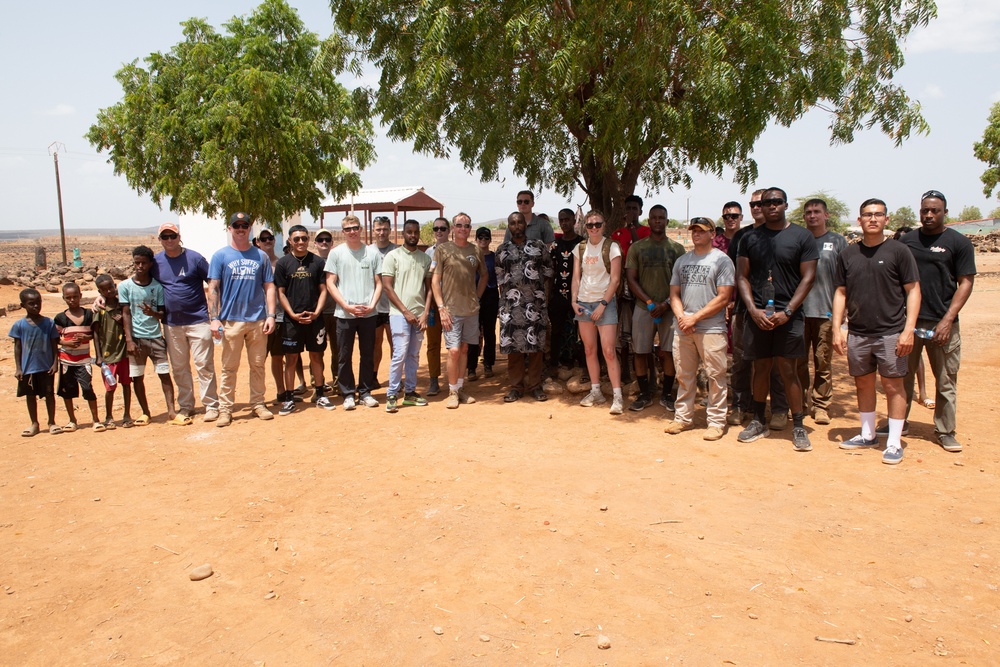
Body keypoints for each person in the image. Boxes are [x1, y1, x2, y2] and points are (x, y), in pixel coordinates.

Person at [834, 198, 920, 464]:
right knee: (863, 382)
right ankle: (867, 433)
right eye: (867, 215)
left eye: (878, 215)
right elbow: (840, 292)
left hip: (891, 332)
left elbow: (913, 291)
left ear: (886, 220)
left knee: (893, 385)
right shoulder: (848, 254)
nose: (873, 219)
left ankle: (894, 442)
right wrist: (838, 328)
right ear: (859, 221)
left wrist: (908, 331)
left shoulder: (898, 251)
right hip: (859, 332)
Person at [736, 187, 818, 450]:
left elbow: (808, 277)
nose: (771, 206)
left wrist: (789, 312)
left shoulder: (801, 236)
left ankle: (798, 425)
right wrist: (752, 310)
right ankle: (759, 420)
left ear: (785, 204)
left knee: (788, 370)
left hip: (788, 316)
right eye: (766, 202)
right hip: (758, 315)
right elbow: (741, 277)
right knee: (760, 368)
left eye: (776, 202)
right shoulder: (750, 238)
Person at [895, 190, 977, 452]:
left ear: (945, 213)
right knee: (901, 376)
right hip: (908, 323)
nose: (929, 215)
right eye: (924, 211)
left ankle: (945, 430)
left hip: (942, 323)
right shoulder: (907, 241)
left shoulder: (959, 243)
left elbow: (966, 282)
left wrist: (948, 319)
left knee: (945, 380)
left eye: (935, 211)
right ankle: (900, 422)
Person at [664, 219, 736, 440]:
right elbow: (674, 293)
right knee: (684, 375)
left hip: (711, 328)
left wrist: (694, 317)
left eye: (701, 231)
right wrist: (681, 317)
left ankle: (715, 421)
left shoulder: (722, 261)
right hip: (683, 327)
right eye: (694, 230)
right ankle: (683, 418)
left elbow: (724, 296)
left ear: (712, 234)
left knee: (715, 375)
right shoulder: (682, 261)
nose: (696, 234)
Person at [208, 212, 278, 427]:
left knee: (257, 365)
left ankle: (258, 403)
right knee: (229, 367)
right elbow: (213, 288)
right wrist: (214, 318)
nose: (240, 229)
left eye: (244, 225)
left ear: (250, 228)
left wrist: (271, 315)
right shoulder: (221, 256)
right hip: (231, 321)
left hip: (257, 320)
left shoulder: (261, 256)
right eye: (236, 225)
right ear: (229, 228)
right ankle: (226, 410)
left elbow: (269, 287)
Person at [727, 189, 790, 429]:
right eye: (753, 204)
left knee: (776, 363)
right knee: (742, 361)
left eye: (761, 203)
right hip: (746, 310)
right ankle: (740, 406)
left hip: (778, 311)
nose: (757, 207)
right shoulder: (743, 237)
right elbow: (735, 273)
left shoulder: (787, 234)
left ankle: (779, 410)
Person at [152, 222, 220, 423]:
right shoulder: (155, 262)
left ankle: (211, 405)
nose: (169, 240)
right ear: (160, 240)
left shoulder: (195, 259)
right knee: (179, 367)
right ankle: (186, 405)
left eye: (172, 236)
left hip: (199, 321)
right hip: (172, 324)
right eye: (165, 237)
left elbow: (213, 284)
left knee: (204, 365)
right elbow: (140, 282)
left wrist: (215, 314)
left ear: (179, 236)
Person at [624, 204, 686, 411]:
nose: (658, 221)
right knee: (640, 352)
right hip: (644, 307)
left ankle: (667, 395)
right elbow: (631, 279)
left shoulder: (677, 249)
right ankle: (644, 394)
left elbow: (681, 281)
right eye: (654, 217)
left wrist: (666, 303)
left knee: (668, 352)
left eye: (662, 218)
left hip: (669, 309)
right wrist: (650, 302)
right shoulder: (637, 248)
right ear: (648, 221)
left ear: (667, 222)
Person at [796, 199, 848, 425]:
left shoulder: (837, 241)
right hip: (798, 312)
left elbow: (845, 280)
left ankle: (821, 405)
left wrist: (843, 311)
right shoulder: (798, 239)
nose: (812, 216)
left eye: (817, 212)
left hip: (826, 312)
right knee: (797, 362)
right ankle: (799, 403)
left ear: (826, 215)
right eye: (808, 212)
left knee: (822, 362)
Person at [325, 214, 383, 409]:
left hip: (368, 313)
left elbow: (379, 283)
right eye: (348, 229)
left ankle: (365, 392)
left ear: (361, 229)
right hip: (345, 314)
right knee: (344, 355)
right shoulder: (336, 253)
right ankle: (348, 393)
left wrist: (373, 305)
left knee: (367, 354)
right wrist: (345, 306)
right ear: (343, 232)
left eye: (355, 227)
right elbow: (330, 282)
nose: (352, 232)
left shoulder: (372, 253)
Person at [274, 225, 333, 415]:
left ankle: (320, 394)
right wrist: (291, 313)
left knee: (316, 356)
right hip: (292, 321)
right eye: (296, 239)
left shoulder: (317, 262)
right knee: (291, 358)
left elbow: (324, 290)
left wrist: (316, 312)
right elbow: (280, 292)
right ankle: (289, 398)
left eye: (304, 238)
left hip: (314, 320)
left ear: (308, 240)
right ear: (290, 241)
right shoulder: (283, 263)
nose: (301, 242)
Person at [496, 211, 555, 402]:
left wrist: (535, 293)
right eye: (512, 223)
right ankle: (516, 387)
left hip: (534, 305)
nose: (516, 226)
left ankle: (535, 386)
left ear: (525, 224)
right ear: (509, 226)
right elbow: (500, 279)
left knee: (536, 348)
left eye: (519, 222)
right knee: (513, 348)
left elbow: (547, 271)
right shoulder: (502, 250)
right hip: (511, 307)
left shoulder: (538, 247)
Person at [431, 212, 487, 409]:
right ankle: (452, 391)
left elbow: (484, 275)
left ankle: (461, 388)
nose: (463, 228)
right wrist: (441, 307)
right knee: (453, 350)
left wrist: (477, 297)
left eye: (467, 225)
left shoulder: (476, 250)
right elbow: (435, 281)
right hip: (451, 310)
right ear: (453, 228)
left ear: (470, 228)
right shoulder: (443, 250)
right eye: (459, 225)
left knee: (464, 349)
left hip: (471, 309)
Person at [571, 210, 624, 413]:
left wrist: (603, 304)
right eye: (590, 225)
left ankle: (618, 396)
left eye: (597, 224)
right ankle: (596, 391)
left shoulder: (611, 247)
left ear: (604, 225)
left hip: (605, 303)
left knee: (609, 351)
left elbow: (616, 279)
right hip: (584, 303)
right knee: (589, 350)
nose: (594, 228)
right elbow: (576, 278)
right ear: (585, 226)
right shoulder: (580, 248)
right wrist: (574, 301)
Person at [119, 245, 176, 425]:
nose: (140, 267)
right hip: (135, 339)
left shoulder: (157, 287)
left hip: (156, 337)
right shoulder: (125, 286)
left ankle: (171, 411)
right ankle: (145, 412)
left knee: (164, 374)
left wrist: (153, 313)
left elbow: (161, 314)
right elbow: (125, 313)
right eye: (137, 263)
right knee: (137, 376)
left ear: (151, 264)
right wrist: (129, 339)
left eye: (144, 263)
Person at [381, 219, 434, 412]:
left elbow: (429, 289)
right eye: (409, 232)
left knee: (413, 355)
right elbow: (387, 286)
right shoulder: (392, 256)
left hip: (420, 316)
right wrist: (405, 311)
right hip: (399, 315)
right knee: (400, 353)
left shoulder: (425, 259)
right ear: (403, 233)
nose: (413, 235)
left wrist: (425, 313)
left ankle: (410, 393)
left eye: (416, 232)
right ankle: (392, 394)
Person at [610, 194, 650, 386]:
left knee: (642, 330)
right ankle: (625, 370)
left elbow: (640, 249)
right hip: (621, 287)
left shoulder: (646, 232)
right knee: (623, 329)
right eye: (629, 209)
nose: (632, 212)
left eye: (635, 209)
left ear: (640, 211)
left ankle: (647, 373)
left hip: (641, 285)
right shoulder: (616, 234)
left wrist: (633, 227)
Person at [10, 288, 59, 436]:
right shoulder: (19, 325)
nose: (36, 306)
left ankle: (51, 422)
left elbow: (54, 344)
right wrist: (18, 368)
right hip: (28, 368)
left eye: (38, 302)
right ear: (23, 305)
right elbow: (17, 347)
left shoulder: (49, 323)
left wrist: (55, 362)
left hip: (46, 367)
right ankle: (34, 423)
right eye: (31, 303)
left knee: (49, 394)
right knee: (30, 396)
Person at [54, 282, 101, 431]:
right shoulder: (60, 318)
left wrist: (84, 337)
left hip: (84, 360)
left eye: (75, 296)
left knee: (87, 388)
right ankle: (72, 420)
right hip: (66, 360)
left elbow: (94, 334)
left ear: (80, 296)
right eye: (68, 297)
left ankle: (96, 420)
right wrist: (65, 343)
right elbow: (55, 338)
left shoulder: (88, 315)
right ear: (64, 298)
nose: (72, 300)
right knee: (68, 391)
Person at [92, 274, 133, 429]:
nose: (109, 291)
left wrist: (122, 319)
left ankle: (127, 415)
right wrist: (98, 355)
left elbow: (130, 323)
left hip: (124, 353)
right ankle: (109, 416)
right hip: (108, 354)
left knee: (126, 384)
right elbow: (95, 333)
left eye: (111, 287)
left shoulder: (122, 305)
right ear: (99, 291)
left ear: (115, 286)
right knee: (110, 387)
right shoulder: (100, 309)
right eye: (105, 289)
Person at [548, 208, 584, 373]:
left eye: (567, 219)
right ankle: (555, 363)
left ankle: (581, 364)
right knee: (557, 329)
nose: (564, 223)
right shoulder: (555, 245)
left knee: (580, 330)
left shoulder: (583, 244)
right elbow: (551, 270)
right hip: (558, 294)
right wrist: (549, 294)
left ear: (574, 221)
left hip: (580, 295)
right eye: (561, 220)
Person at [467, 226, 498, 380]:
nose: (483, 241)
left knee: (489, 331)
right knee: (473, 332)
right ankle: (471, 367)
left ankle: (488, 364)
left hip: (491, 295)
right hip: (474, 296)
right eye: (481, 238)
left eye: (486, 238)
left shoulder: (494, 257)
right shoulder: (472, 257)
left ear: (490, 240)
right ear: (476, 239)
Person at [424, 217, 451, 396]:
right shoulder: (428, 253)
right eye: (436, 229)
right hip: (433, 306)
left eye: (442, 228)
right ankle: (434, 380)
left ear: (449, 230)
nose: (439, 231)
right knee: (433, 344)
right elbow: (427, 279)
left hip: (452, 306)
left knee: (453, 345)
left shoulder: (455, 250)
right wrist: (431, 302)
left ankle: (454, 382)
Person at [370, 216, 398, 387]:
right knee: (375, 343)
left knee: (395, 343)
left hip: (393, 306)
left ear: (390, 230)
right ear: (373, 230)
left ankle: (396, 379)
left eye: (385, 229)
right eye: (379, 229)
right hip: (374, 307)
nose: (382, 232)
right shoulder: (367, 251)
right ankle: (373, 376)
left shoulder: (396, 251)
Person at [312, 228, 340, 395]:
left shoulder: (337, 260)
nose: (324, 242)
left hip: (337, 312)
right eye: (320, 240)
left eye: (327, 240)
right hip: (319, 314)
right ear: (315, 243)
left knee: (338, 350)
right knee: (317, 351)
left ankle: (338, 382)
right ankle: (318, 384)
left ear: (332, 243)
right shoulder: (311, 262)